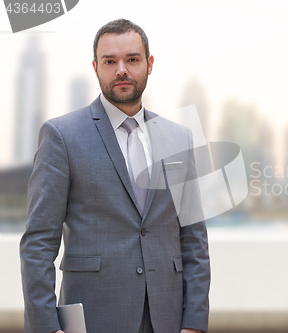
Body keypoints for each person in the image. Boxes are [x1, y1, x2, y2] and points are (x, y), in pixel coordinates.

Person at [19, 19, 210, 333]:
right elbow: (39, 242)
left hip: (168, 318)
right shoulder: (62, 136)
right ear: (96, 67)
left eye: (132, 59)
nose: (121, 69)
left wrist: (194, 323)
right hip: (94, 316)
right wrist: (46, 327)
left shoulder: (180, 138)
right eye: (110, 61)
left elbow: (194, 239)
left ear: (149, 65)